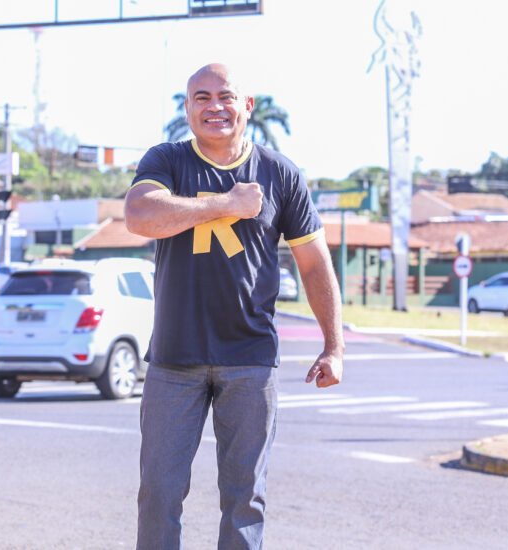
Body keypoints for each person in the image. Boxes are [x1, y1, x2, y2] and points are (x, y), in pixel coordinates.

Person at [124, 63, 344, 549]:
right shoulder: (167, 160)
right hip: (173, 360)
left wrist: (334, 346)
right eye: (201, 98)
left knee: (246, 499)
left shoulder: (279, 172)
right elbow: (139, 216)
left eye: (225, 96)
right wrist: (225, 203)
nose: (214, 107)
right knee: (159, 494)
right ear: (187, 110)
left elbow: (313, 263)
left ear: (247, 106)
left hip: (250, 360)